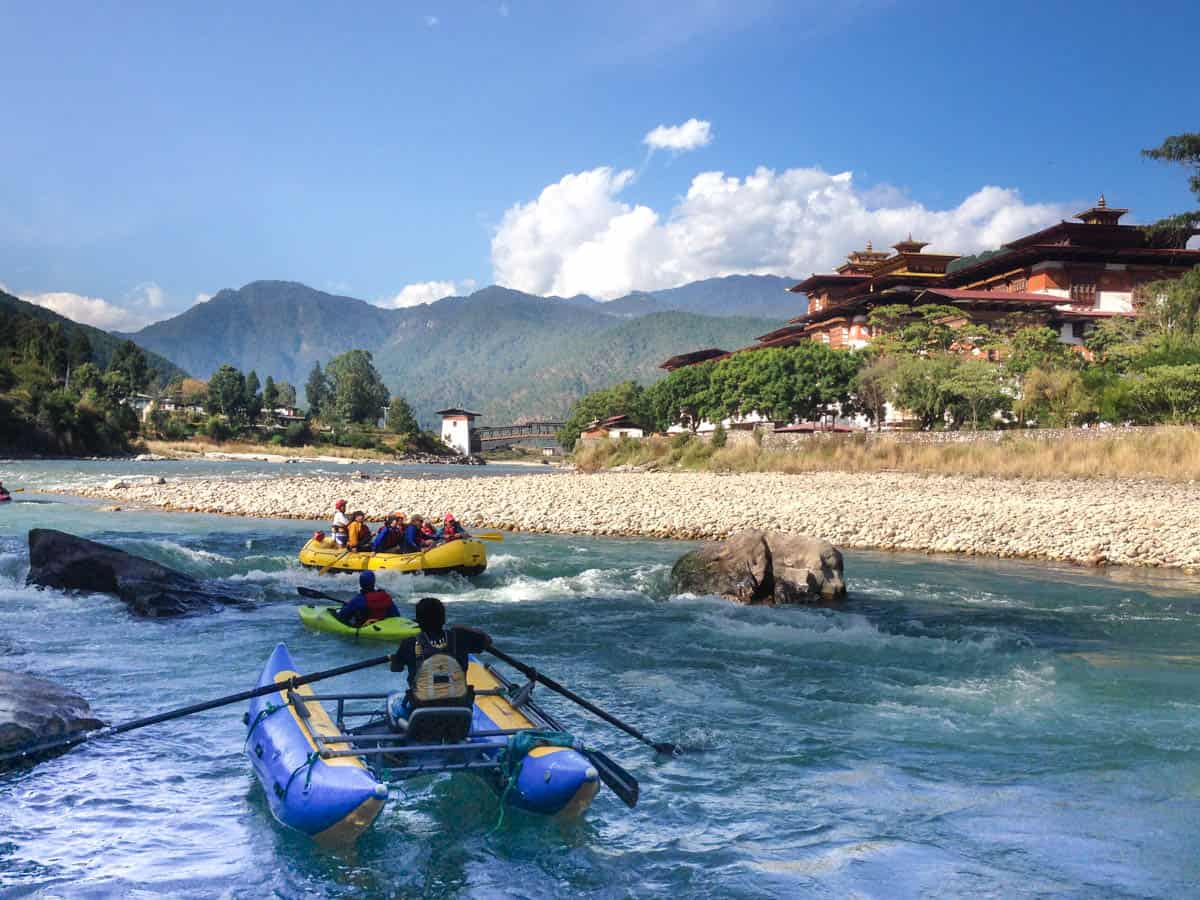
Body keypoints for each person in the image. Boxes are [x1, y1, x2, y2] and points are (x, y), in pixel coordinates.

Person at [388, 596, 491, 723]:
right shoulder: (461, 638)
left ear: (418, 621)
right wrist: (464, 629)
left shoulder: (408, 643)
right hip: (460, 710)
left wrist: (395, 659)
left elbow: (396, 669)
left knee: (393, 699)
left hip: (421, 712)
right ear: (443, 619)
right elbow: (487, 641)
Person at [335, 571, 400, 628]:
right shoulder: (385, 596)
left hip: (366, 628)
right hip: (385, 627)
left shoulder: (359, 600)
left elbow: (342, 616)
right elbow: (396, 615)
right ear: (374, 582)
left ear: (360, 583)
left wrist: (346, 606)